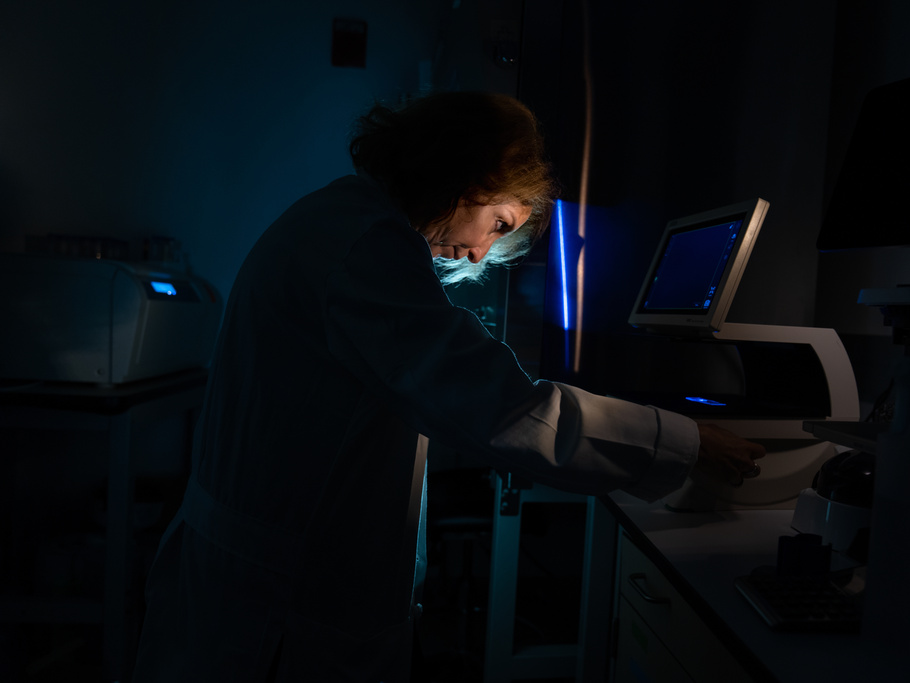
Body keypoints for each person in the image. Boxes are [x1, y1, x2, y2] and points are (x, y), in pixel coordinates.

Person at [132, 91, 765, 683]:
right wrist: (685, 441)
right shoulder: (364, 245)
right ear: (470, 181)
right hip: (277, 604)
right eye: (498, 222)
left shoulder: (341, 220)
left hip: (264, 574)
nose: (480, 255)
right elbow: (500, 407)